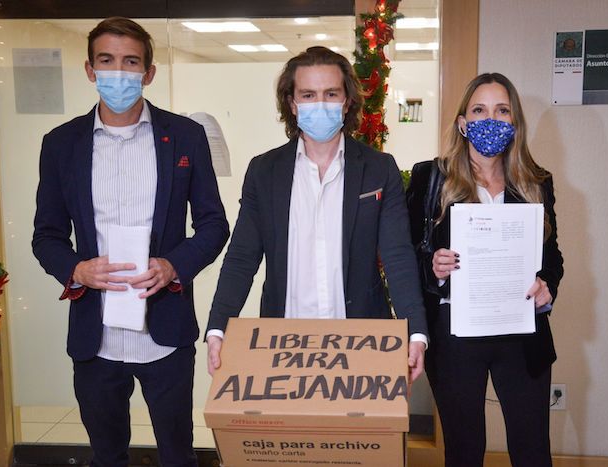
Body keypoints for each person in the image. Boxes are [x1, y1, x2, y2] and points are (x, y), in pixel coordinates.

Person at [32, 17, 229, 467]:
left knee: (178, 456)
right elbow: (46, 236)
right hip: (95, 336)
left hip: (165, 333)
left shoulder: (185, 136)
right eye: (107, 61)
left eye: (131, 62)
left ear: (148, 72)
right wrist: (76, 270)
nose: (118, 72)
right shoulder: (61, 144)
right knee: (106, 456)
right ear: (90, 70)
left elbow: (214, 224)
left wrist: (174, 265)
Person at [205, 46, 428, 381]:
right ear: (293, 104)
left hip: (362, 343)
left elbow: (398, 256)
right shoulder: (264, 171)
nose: (320, 104)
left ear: (347, 101)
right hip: (284, 346)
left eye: (331, 94)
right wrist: (218, 328)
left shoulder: (379, 169)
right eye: (308, 95)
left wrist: (416, 332)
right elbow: (242, 257)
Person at [406, 73, 564, 467]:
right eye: (479, 110)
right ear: (463, 122)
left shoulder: (536, 181)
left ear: (514, 122)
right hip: (455, 333)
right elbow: (406, 257)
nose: (490, 120)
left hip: (521, 330)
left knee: (532, 451)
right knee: (464, 451)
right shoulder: (431, 177)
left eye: (501, 110)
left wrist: (547, 285)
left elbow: (553, 257)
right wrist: (435, 267)